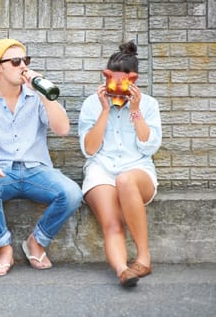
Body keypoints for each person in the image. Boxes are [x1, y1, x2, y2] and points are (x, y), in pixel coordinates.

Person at [0, 38, 83, 276]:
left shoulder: (35, 97)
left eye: (26, 61)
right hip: (2, 170)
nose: (23, 67)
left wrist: (42, 93)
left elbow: (62, 129)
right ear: (0, 67)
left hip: (36, 170)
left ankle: (36, 242)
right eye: (16, 61)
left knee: (72, 193)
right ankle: (4, 249)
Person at [78, 40, 162, 287]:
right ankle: (123, 270)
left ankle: (144, 259)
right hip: (101, 170)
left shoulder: (148, 104)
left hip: (137, 171)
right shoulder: (92, 104)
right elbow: (89, 149)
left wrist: (135, 110)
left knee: (125, 179)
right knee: (112, 222)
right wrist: (105, 110)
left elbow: (149, 146)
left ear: (133, 80)